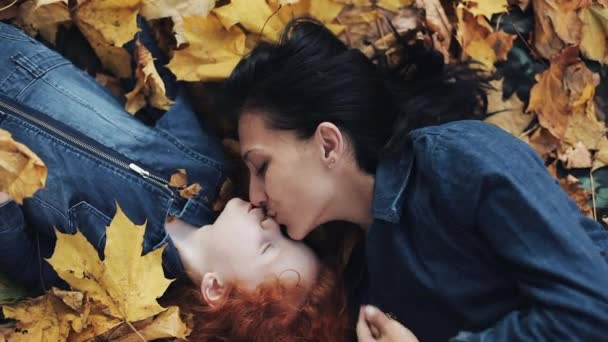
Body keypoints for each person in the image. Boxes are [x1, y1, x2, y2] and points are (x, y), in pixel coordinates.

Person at [225, 18, 608, 341]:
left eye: (261, 167)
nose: (254, 195)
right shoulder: (363, 289)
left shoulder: (456, 163)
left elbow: (591, 312)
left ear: (328, 144)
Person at [0, 21, 349, 341]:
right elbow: (160, 90)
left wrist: (3, 206)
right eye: (284, 233)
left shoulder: (129, 287)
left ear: (218, 290)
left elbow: (33, 264)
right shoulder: (208, 171)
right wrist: (121, 23)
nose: (270, 222)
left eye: (266, 246)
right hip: (18, 63)